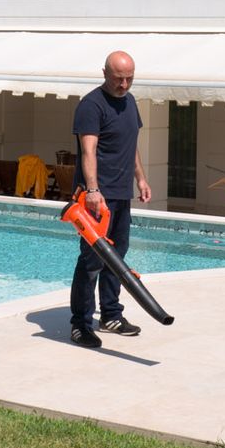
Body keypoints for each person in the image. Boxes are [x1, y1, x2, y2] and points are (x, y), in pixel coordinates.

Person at [69, 49, 151, 347]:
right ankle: (80, 324)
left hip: (121, 193)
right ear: (104, 73)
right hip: (96, 199)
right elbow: (88, 150)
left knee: (118, 258)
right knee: (91, 261)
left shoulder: (130, 102)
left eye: (129, 78)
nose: (124, 84)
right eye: (118, 78)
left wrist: (140, 178)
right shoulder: (91, 105)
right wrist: (92, 190)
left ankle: (111, 315)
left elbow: (131, 144)